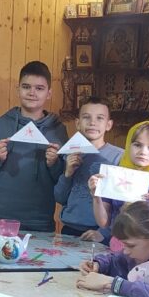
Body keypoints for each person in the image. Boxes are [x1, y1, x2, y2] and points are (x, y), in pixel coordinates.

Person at [0, 61, 68, 232]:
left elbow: (64, 178)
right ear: (18, 89)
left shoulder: (58, 130)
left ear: (49, 93)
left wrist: (54, 163)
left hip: (39, 221)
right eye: (26, 87)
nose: (32, 93)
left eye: (39, 88)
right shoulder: (3, 124)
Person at [88, 120, 149, 243]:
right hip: (119, 245)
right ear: (128, 145)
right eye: (137, 145)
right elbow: (103, 223)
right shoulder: (114, 176)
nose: (143, 152)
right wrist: (96, 197)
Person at [53, 97, 123, 236]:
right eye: (86, 117)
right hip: (69, 228)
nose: (92, 123)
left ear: (109, 125)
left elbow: (121, 204)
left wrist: (104, 233)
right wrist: (67, 174)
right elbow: (60, 197)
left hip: (100, 232)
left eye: (99, 118)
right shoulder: (70, 153)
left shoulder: (119, 157)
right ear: (78, 123)